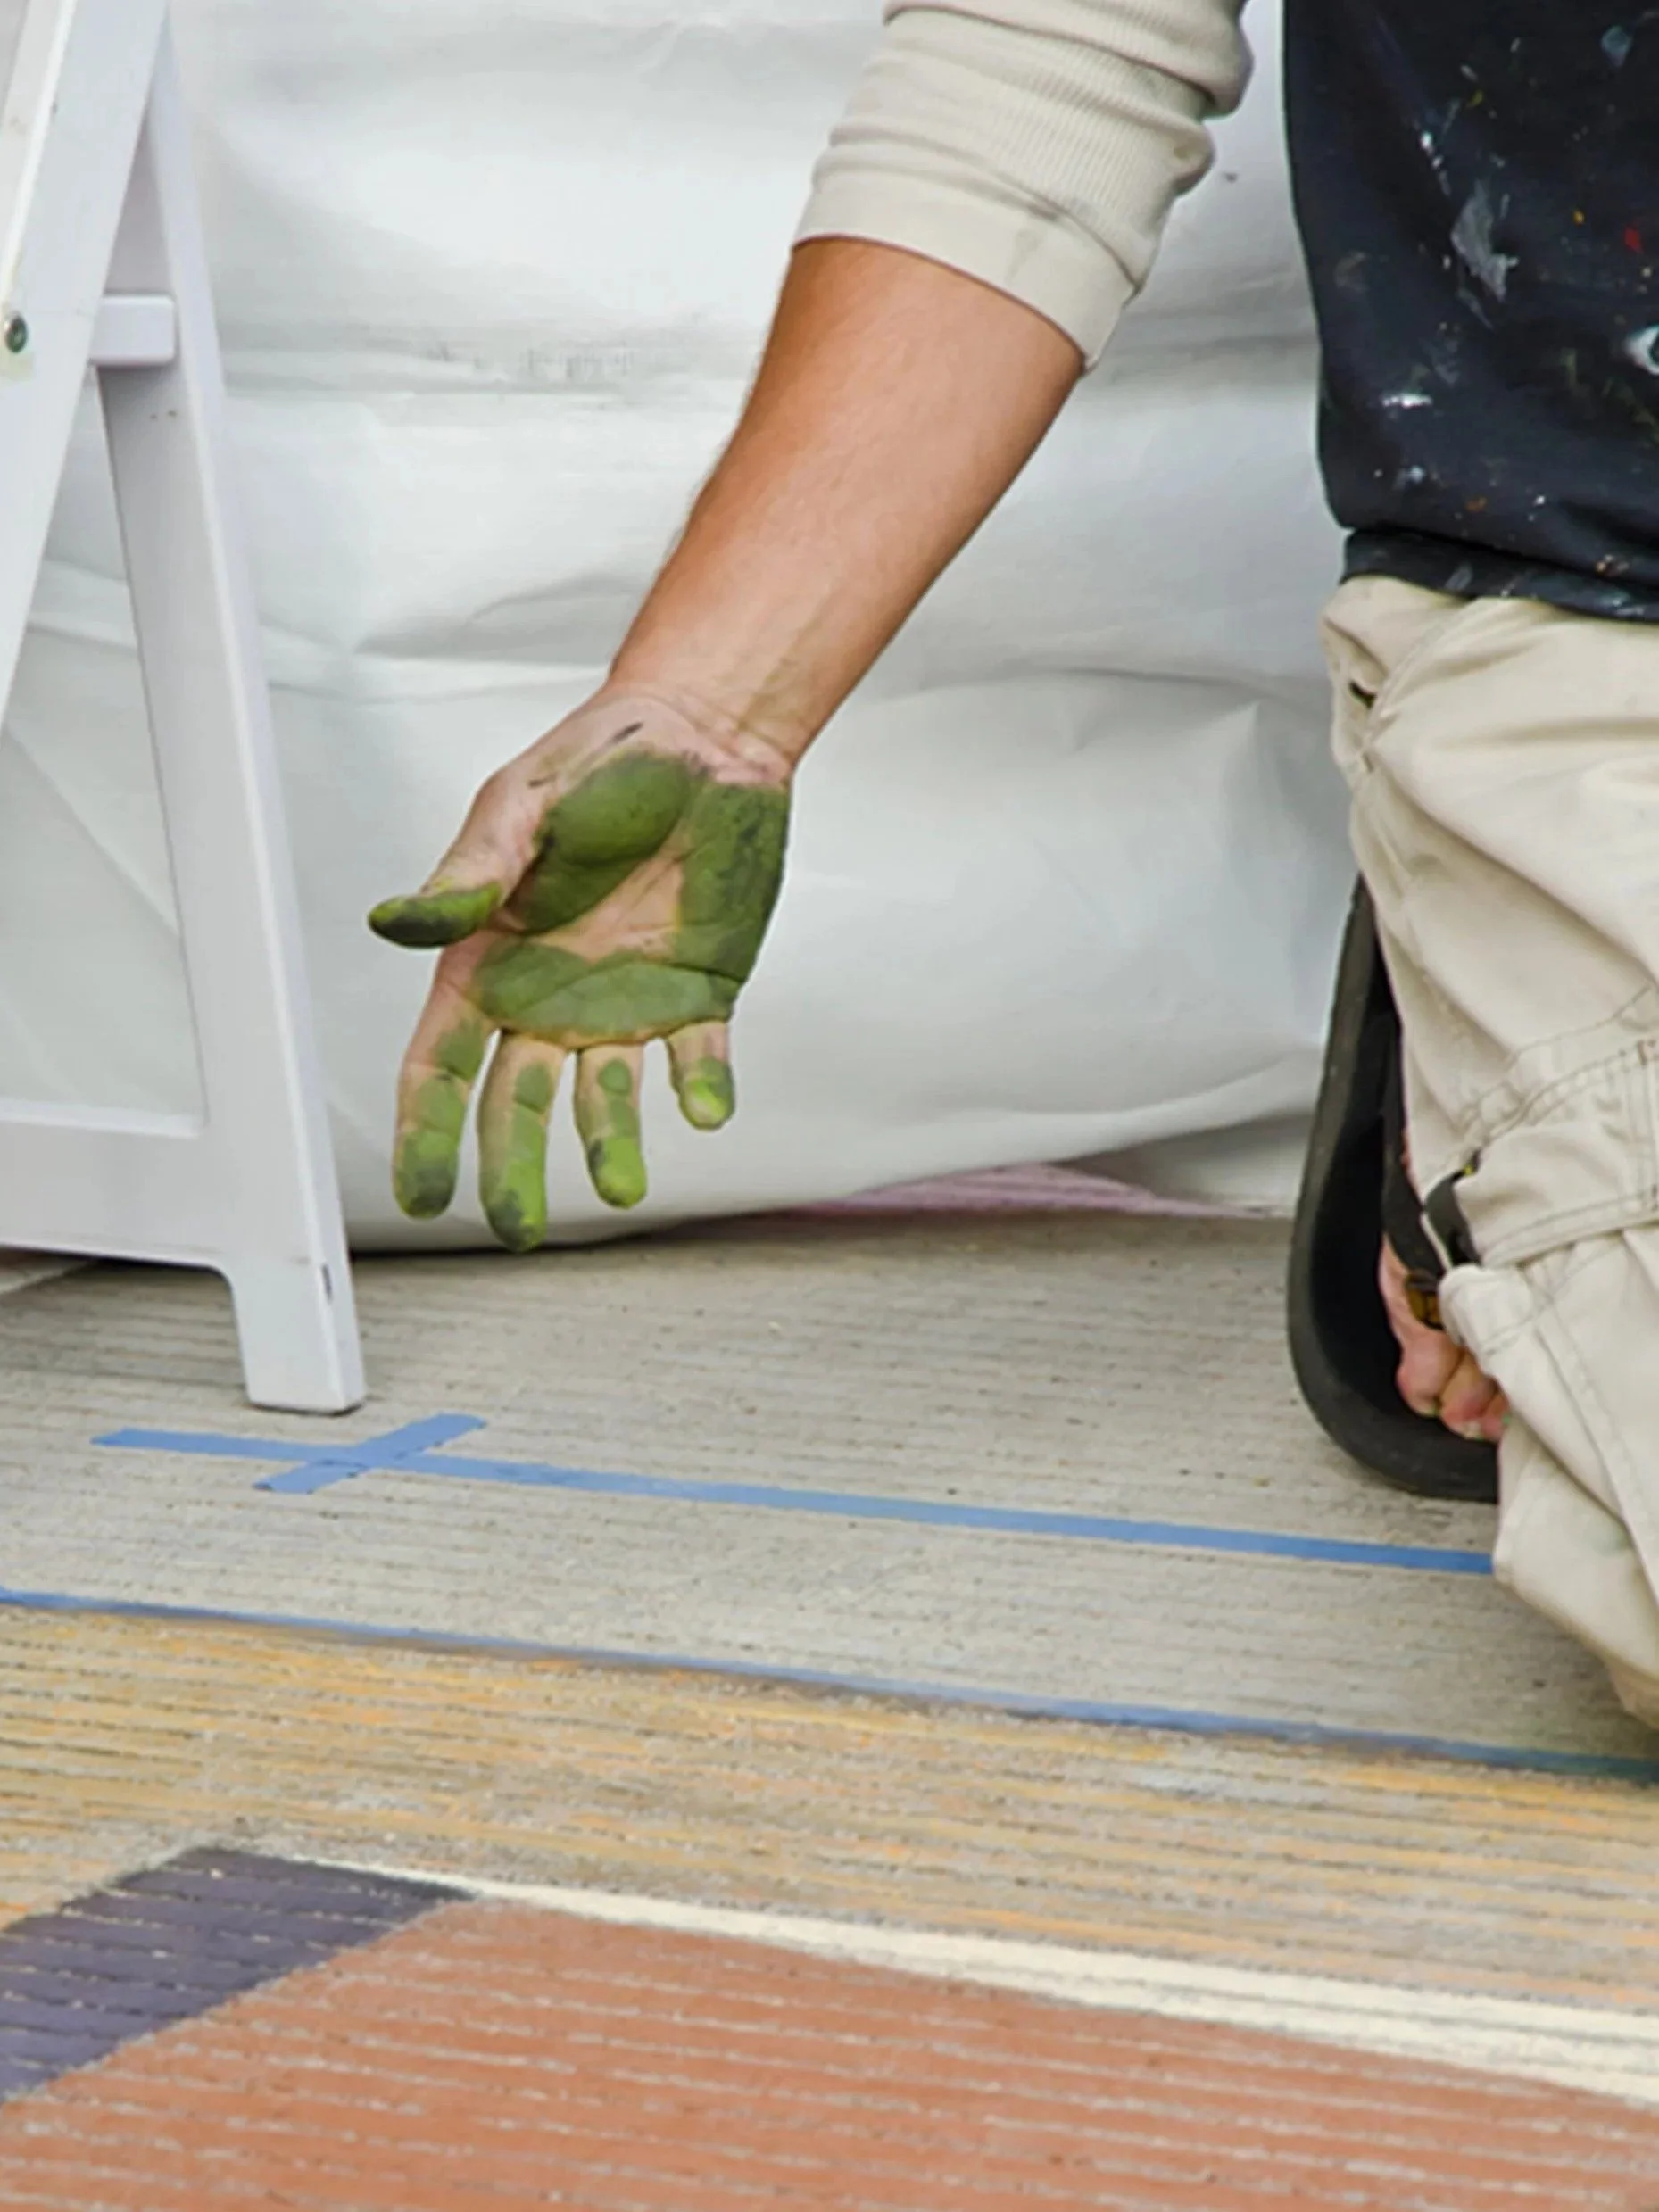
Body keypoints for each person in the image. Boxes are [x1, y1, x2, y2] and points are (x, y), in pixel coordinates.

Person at [369, 0, 1659, 1724]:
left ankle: (1502, 1189)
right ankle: (1501, 1117)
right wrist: (710, 708)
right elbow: (1053, 45)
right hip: (1601, 622)